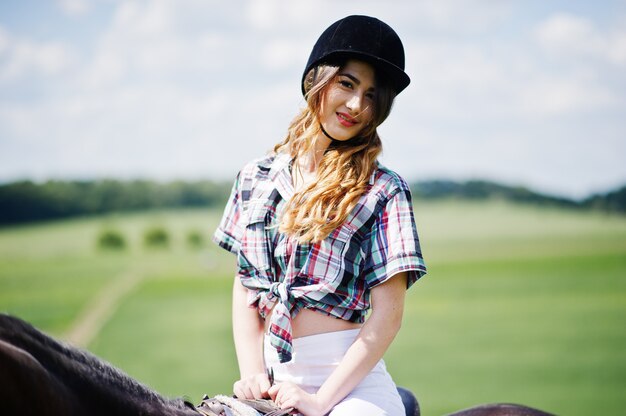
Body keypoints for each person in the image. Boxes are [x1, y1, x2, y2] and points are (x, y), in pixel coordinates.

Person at [213, 15, 427, 416]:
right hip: (273, 382)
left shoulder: (383, 189)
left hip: (352, 387)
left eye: (371, 94)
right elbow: (246, 286)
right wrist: (252, 372)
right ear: (317, 78)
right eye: (347, 83)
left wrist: (319, 401)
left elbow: (388, 315)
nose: (356, 105)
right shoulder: (253, 178)